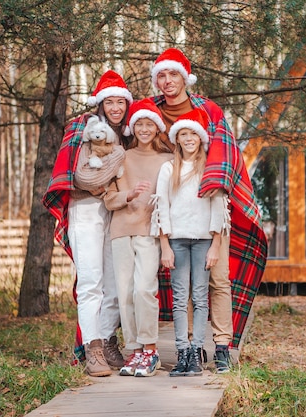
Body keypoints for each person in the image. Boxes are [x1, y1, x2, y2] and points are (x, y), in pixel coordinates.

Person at [150, 48, 268, 373]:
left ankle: (221, 345)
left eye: (173, 74)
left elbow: (226, 156)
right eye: (161, 75)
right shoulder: (153, 111)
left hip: (213, 211)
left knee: (218, 280)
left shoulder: (209, 109)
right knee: (184, 286)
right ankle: (190, 347)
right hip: (175, 209)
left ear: (185, 77)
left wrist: (215, 185)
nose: (167, 81)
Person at [43, 70, 132, 376]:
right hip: (85, 211)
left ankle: (107, 342)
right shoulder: (84, 126)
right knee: (91, 282)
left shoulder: (127, 134)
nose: (116, 107)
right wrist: (103, 177)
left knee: (115, 283)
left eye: (121, 101)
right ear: (101, 104)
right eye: (111, 102)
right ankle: (92, 349)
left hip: (116, 213)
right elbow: (77, 175)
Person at [103, 98, 173, 377]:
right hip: (121, 230)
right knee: (125, 292)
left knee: (145, 288)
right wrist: (127, 195)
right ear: (133, 128)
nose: (144, 129)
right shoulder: (122, 156)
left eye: (149, 124)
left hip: (149, 230)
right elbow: (109, 199)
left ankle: (151, 350)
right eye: (139, 124)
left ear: (157, 128)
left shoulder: (168, 159)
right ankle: (134, 351)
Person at [155, 108, 226, 376]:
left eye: (192, 134)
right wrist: (164, 246)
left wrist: (216, 245)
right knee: (180, 298)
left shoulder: (210, 167)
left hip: (203, 240)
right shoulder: (168, 168)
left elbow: (219, 207)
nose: (188, 138)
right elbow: (161, 206)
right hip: (177, 241)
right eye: (183, 134)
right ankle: (182, 352)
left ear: (200, 138)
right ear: (177, 139)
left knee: (200, 296)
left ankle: (197, 351)